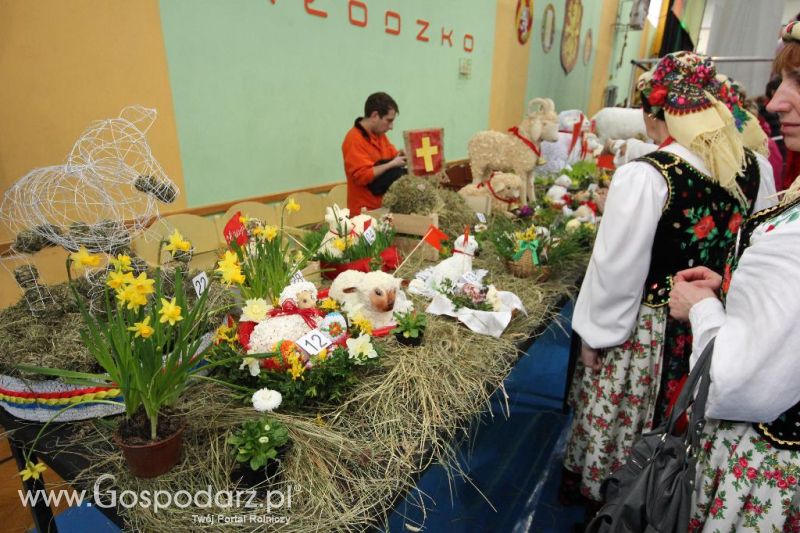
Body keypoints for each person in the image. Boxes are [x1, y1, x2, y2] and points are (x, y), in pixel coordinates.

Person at [561, 51, 776, 509]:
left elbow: (617, 272)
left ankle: (620, 502)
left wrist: (594, 336)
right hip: (718, 329)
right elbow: (757, 257)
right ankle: (673, 503)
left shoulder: (647, 176)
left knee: (627, 427)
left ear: (657, 114)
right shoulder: (758, 169)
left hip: (648, 334)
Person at [669, 22, 800, 532]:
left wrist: (700, 307)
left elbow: (734, 381)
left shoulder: (648, 173)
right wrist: (733, 286)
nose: (774, 105)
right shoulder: (765, 171)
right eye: (780, 83)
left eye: (799, 82)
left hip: (766, 462)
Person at [341, 92, 407, 214]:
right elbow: (362, 176)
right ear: (375, 115)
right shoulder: (353, 139)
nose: (391, 127)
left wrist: (402, 155)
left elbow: (392, 156)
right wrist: (391, 164)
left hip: (385, 209)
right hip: (364, 213)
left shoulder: (380, 135)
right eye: (389, 120)